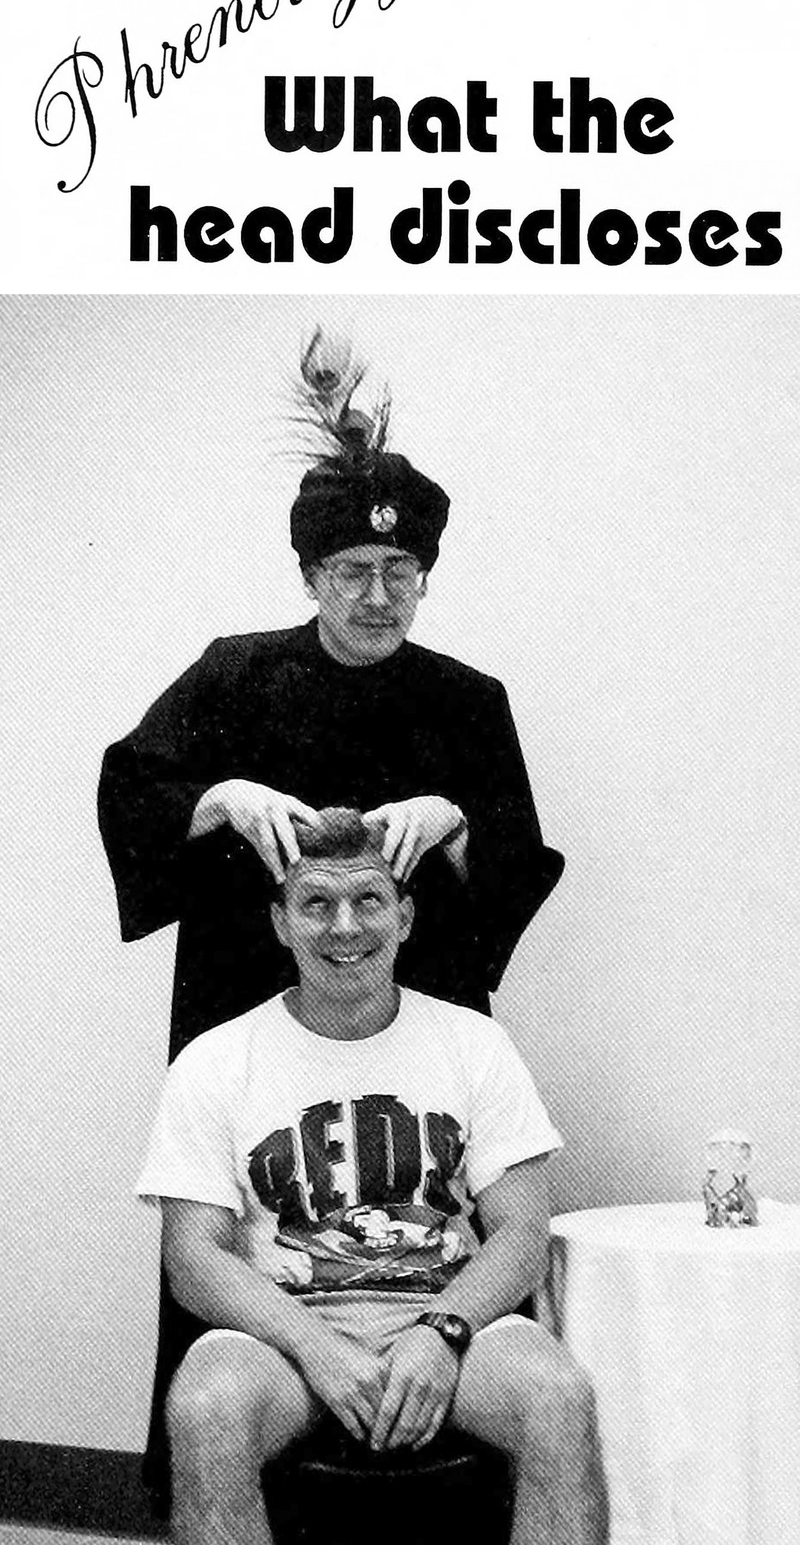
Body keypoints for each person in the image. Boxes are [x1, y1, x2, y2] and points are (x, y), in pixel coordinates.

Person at [100, 329, 564, 1503]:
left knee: (436, 1239)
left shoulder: (467, 700)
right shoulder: (233, 674)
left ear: (426, 578)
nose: (376, 595)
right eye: (352, 570)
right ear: (310, 574)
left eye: (399, 572)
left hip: (420, 1016)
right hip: (247, 1009)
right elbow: (131, 796)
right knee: (237, 1291)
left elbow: (515, 865)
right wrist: (218, 795)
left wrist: (454, 822)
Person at [137, 810, 608, 1545]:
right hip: (285, 1337)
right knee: (207, 1405)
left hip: (449, 1319)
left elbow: (521, 1231)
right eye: (316, 903)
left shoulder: (473, 1043)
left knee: (557, 1395)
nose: (345, 926)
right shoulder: (216, 1061)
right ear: (281, 923)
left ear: (405, 917)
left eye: (368, 900)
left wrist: (441, 1333)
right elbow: (193, 1258)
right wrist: (314, 1346)